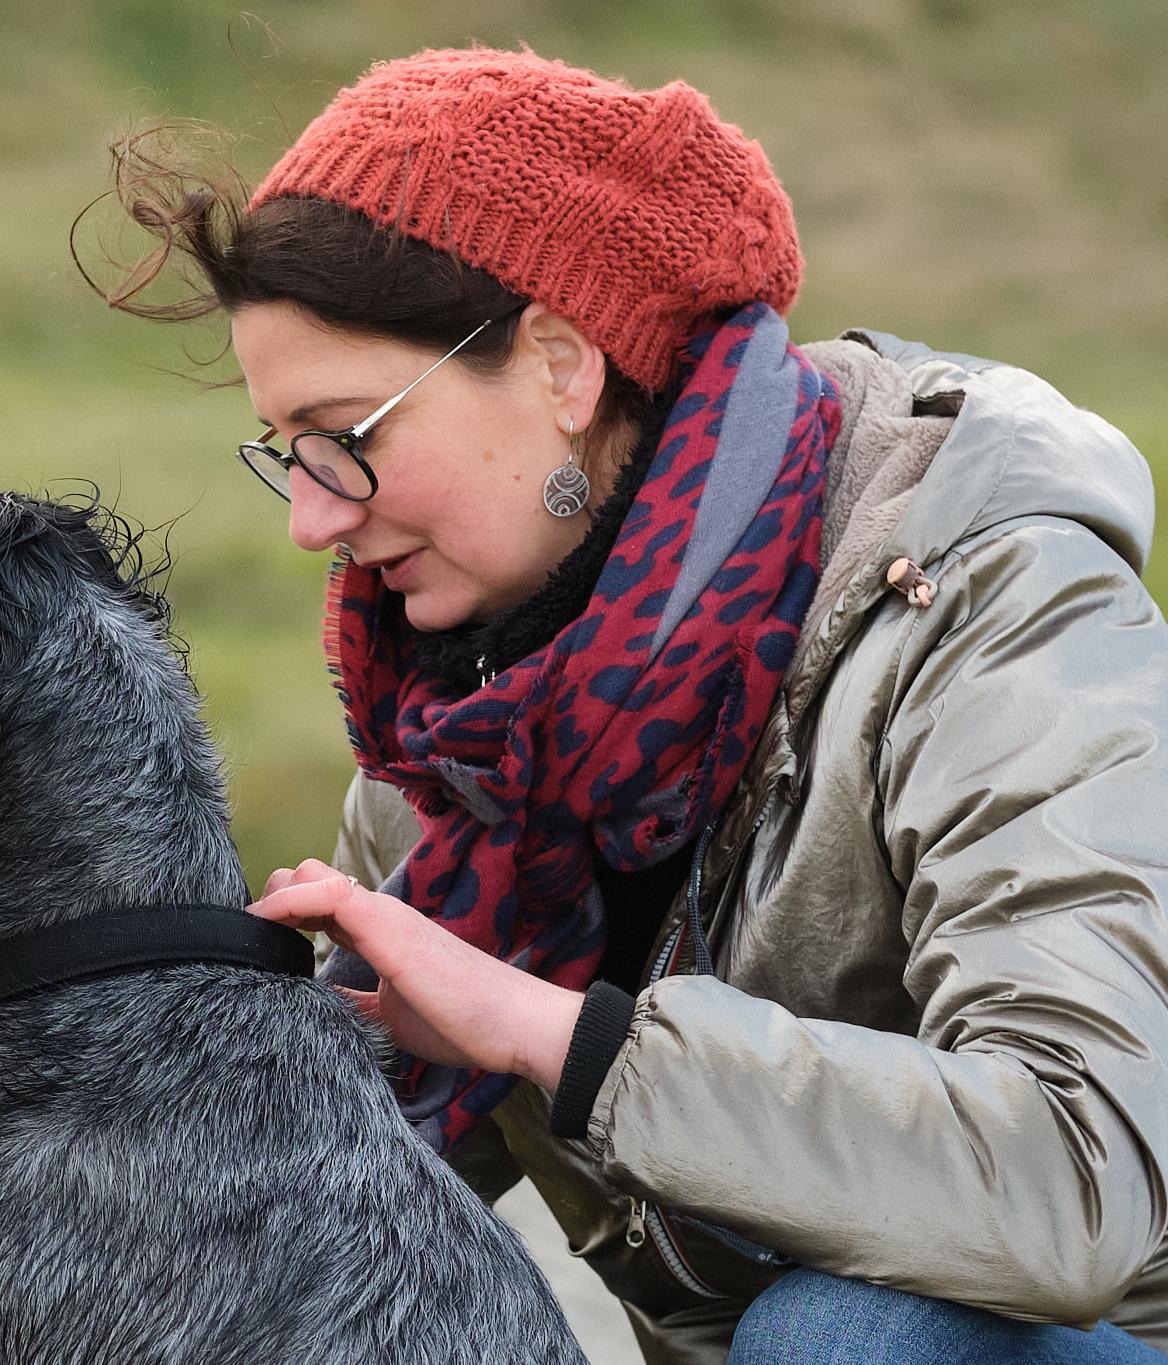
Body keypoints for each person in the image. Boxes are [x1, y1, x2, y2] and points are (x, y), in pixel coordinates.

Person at [91, 46, 1168, 1364]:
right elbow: (285, 1261)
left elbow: (1080, 1175)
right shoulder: (453, 737)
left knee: (846, 1337)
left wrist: (553, 1036)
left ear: (559, 364)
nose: (315, 517)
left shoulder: (990, 601)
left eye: (347, 437)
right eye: (287, 456)